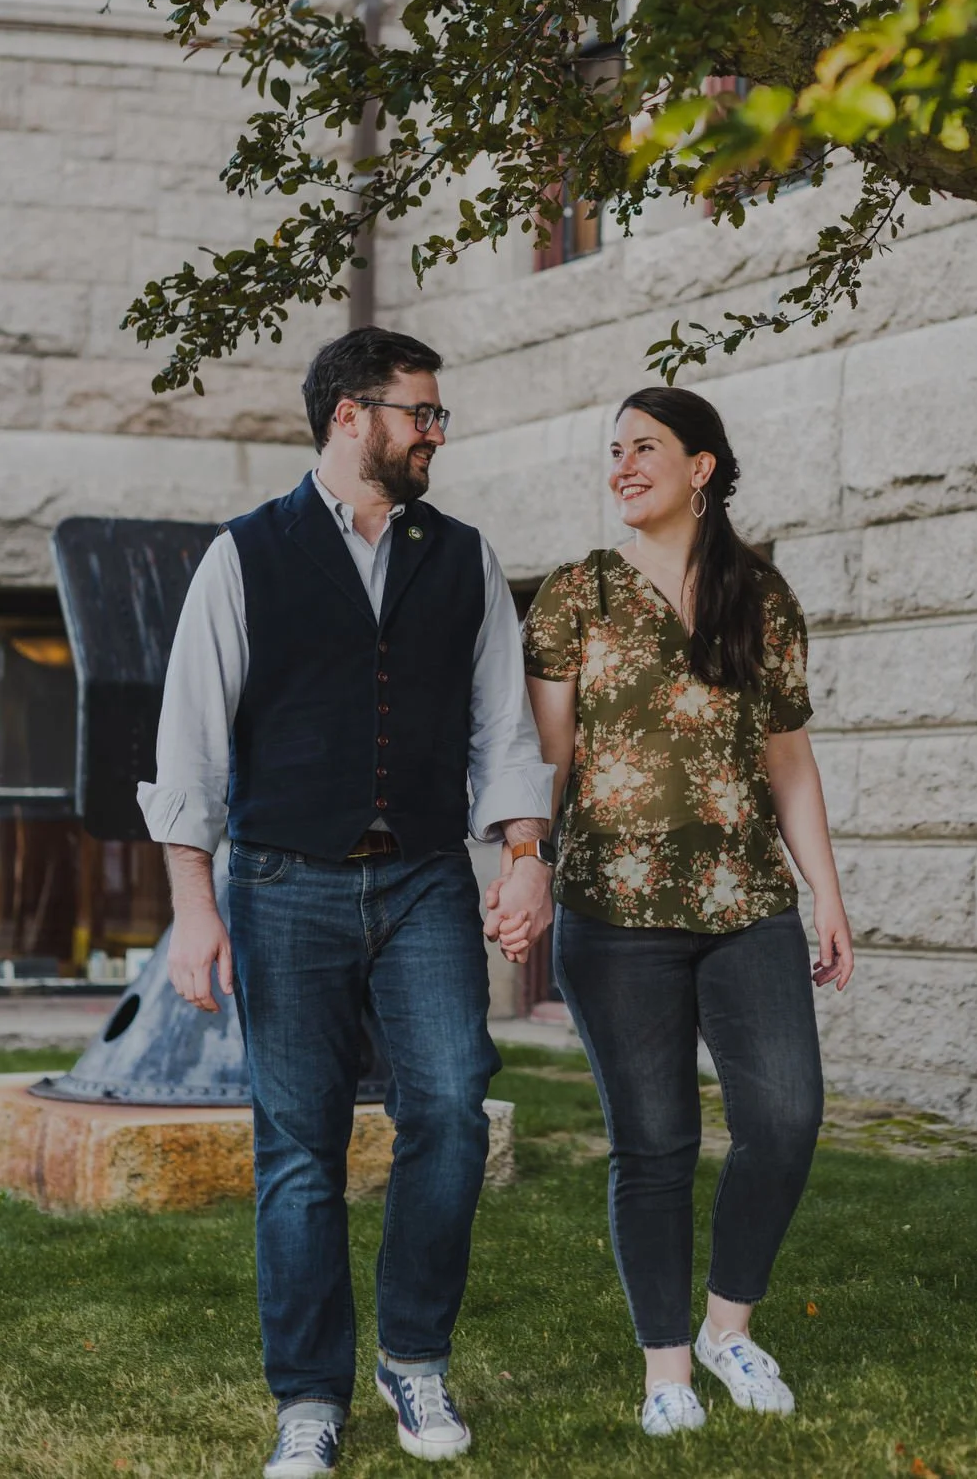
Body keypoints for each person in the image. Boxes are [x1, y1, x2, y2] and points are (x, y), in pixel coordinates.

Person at [137, 328, 554, 1477]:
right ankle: (310, 1396)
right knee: (298, 1147)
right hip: (283, 882)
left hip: (423, 875)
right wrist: (195, 907)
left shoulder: (461, 557)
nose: (435, 433)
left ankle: (412, 1357)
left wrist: (526, 854)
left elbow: (502, 728)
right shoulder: (245, 555)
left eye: (437, 414)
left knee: (453, 1108)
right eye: (421, 412)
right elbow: (189, 741)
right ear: (349, 416)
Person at [516, 385, 854, 1438]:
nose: (621, 465)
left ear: (701, 467)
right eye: (613, 450)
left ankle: (727, 1328)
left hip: (748, 903)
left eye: (644, 447)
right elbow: (549, 757)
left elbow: (788, 759)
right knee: (655, 1142)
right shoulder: (578, 593)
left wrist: (826, 893)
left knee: (786, 1117)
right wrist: (527, 861)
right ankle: (666, 1369)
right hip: (614, 912)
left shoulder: (764, 597)